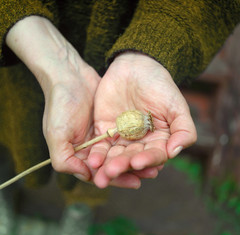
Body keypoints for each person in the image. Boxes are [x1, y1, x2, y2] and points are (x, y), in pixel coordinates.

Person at [0, 0, 239, 204]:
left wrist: (151, 50)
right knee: (12, 138)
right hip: (17, 62)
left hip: (128, 35)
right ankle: (8, 196)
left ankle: (79, 207)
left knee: (93, 165)